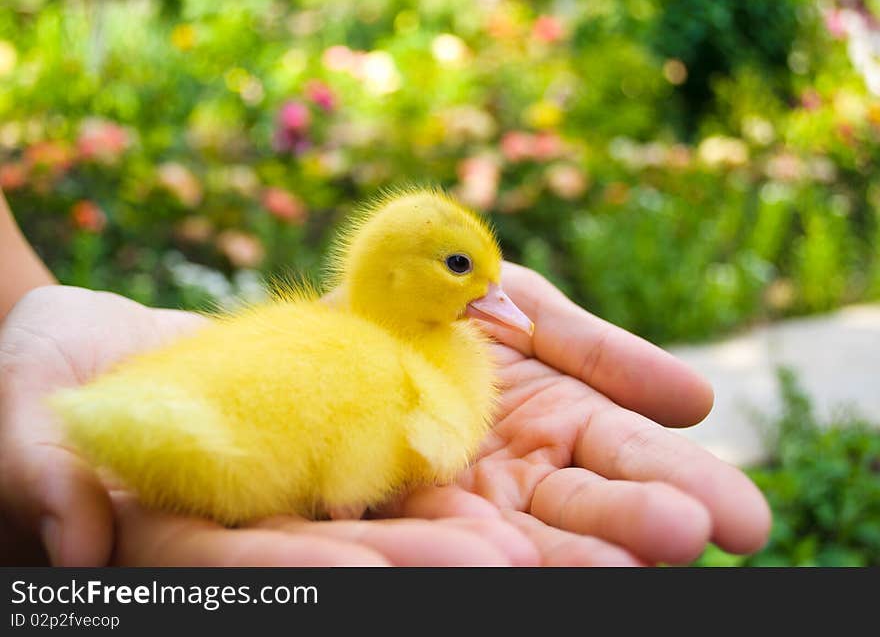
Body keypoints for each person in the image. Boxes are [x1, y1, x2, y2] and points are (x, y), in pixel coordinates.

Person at [0, 188, 771, 566]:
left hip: (151, 419)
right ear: (396, 275)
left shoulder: (339, 338)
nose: (492, 297)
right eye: (465, 269)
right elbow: (370, 446)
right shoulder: (414, 378)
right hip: (207, 438)